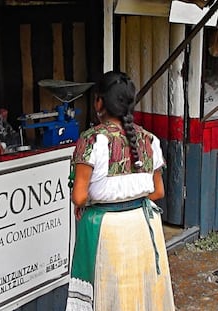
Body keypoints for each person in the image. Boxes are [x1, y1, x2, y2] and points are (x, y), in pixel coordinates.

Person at [65, 71, 175, 310]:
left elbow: (79, 196)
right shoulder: (150, 139)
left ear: (99, 102)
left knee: (112, 296)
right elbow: (158, 192)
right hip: (144, 227)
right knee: (141, 294)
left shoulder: (92, 139)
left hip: (110, 232)